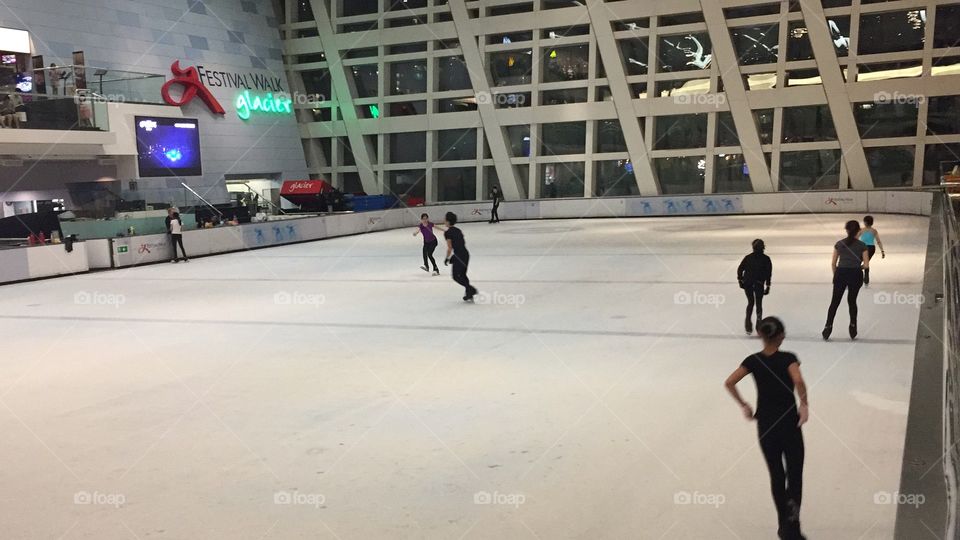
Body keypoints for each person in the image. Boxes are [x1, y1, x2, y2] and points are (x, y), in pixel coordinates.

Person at [725, 317, 809, 540]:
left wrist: (744, 405)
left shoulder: (753, 361)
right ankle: (793, 525)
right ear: (780, 335)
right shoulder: (788, 358)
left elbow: (729, 382)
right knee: (795, 473)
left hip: (766, 424)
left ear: (761, 336)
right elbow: (798, 380)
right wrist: (804, 404)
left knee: (776, 474)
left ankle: (782, 524)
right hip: (789, 423)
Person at [823, 220, 869, 340]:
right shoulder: (862, 246)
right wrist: (858, 267)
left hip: (841, 273)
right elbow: (866, 264)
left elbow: (833, 263)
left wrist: (836, 274)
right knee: (852, 301)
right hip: (855, 274)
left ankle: (828, 325)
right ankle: (853, 325)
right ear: (858, 231)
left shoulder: (839, 244)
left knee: (835, 302)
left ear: (846, 230)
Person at [737, 238, 772, 335]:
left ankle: (748, 323)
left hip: (748, 282)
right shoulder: (766, 259)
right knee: (759, 304)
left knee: (750, 302)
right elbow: (768, 273)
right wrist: (768, 285)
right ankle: (759, 325)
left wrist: (740, 280)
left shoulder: (748, 258)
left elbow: (740, 269)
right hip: (759, 283)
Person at [443, 212, 477, 302]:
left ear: (448, 221)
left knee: (455, 276)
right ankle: (469, 293)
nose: (444, 221)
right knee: (463, 274)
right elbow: (461, 242)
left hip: (459, 256)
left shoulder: (447, 233)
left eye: (445, 219)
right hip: (465, 254)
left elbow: (450, 248)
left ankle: (470, 289)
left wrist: (447, 258)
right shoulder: (458, 230)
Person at [857, 215, 885, 286]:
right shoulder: (874, 231)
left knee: (858, 262)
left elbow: (855, 239)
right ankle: (866, 277)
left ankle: (855, 272)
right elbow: (878, 241)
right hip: (871, 248)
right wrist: (882, 251)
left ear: (865, 222)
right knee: (866, 262)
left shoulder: (861, 230)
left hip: (862, 247)